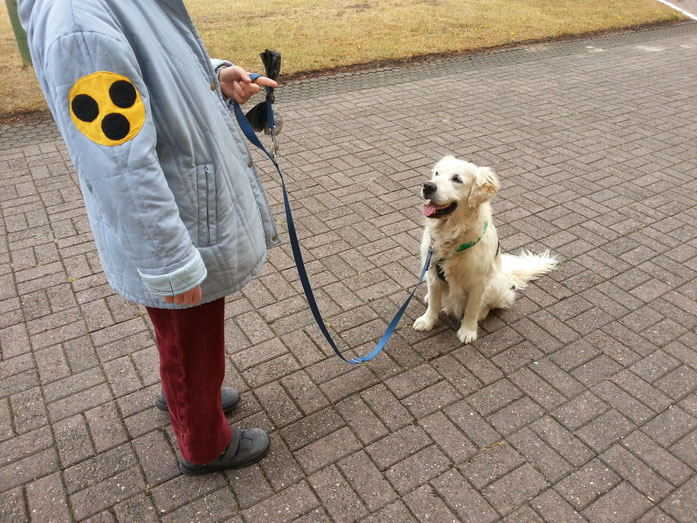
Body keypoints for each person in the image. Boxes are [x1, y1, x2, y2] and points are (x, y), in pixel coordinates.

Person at [19, 0, 279, 475]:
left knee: (189, 326)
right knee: (187, 323)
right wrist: (167, 258)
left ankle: (188, 389)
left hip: (184, 197)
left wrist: (215, 73)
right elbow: (118, 160)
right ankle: (204, 441)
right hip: (174, 208)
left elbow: (158, 62)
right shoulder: (77, 17)